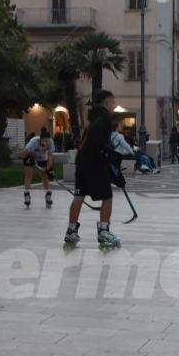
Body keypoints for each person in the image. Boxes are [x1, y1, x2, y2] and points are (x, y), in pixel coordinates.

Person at [64, 90, 122, 250]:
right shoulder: (104, 117)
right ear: (106, 102)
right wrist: (107, 153)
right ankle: (103, 231)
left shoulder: (94, 116)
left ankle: (71, 230)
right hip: (94, 162)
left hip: (82, 161)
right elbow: (97, 138)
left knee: (79, 194)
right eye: (113, 101)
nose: (114, 104)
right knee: (107, 196)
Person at [20, 127, 55, 209]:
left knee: (45, 177)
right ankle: (27, 195)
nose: (47, 143)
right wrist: (28, 158)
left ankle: (48, 195)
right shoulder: (33, 142)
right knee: (28, 176)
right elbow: (21, 154)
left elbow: (49, 157)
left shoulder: (50, 142)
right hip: (30, 157)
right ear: (41, 139)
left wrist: (49, 169)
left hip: (42, 158)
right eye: (45, 141)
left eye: (48, 141)